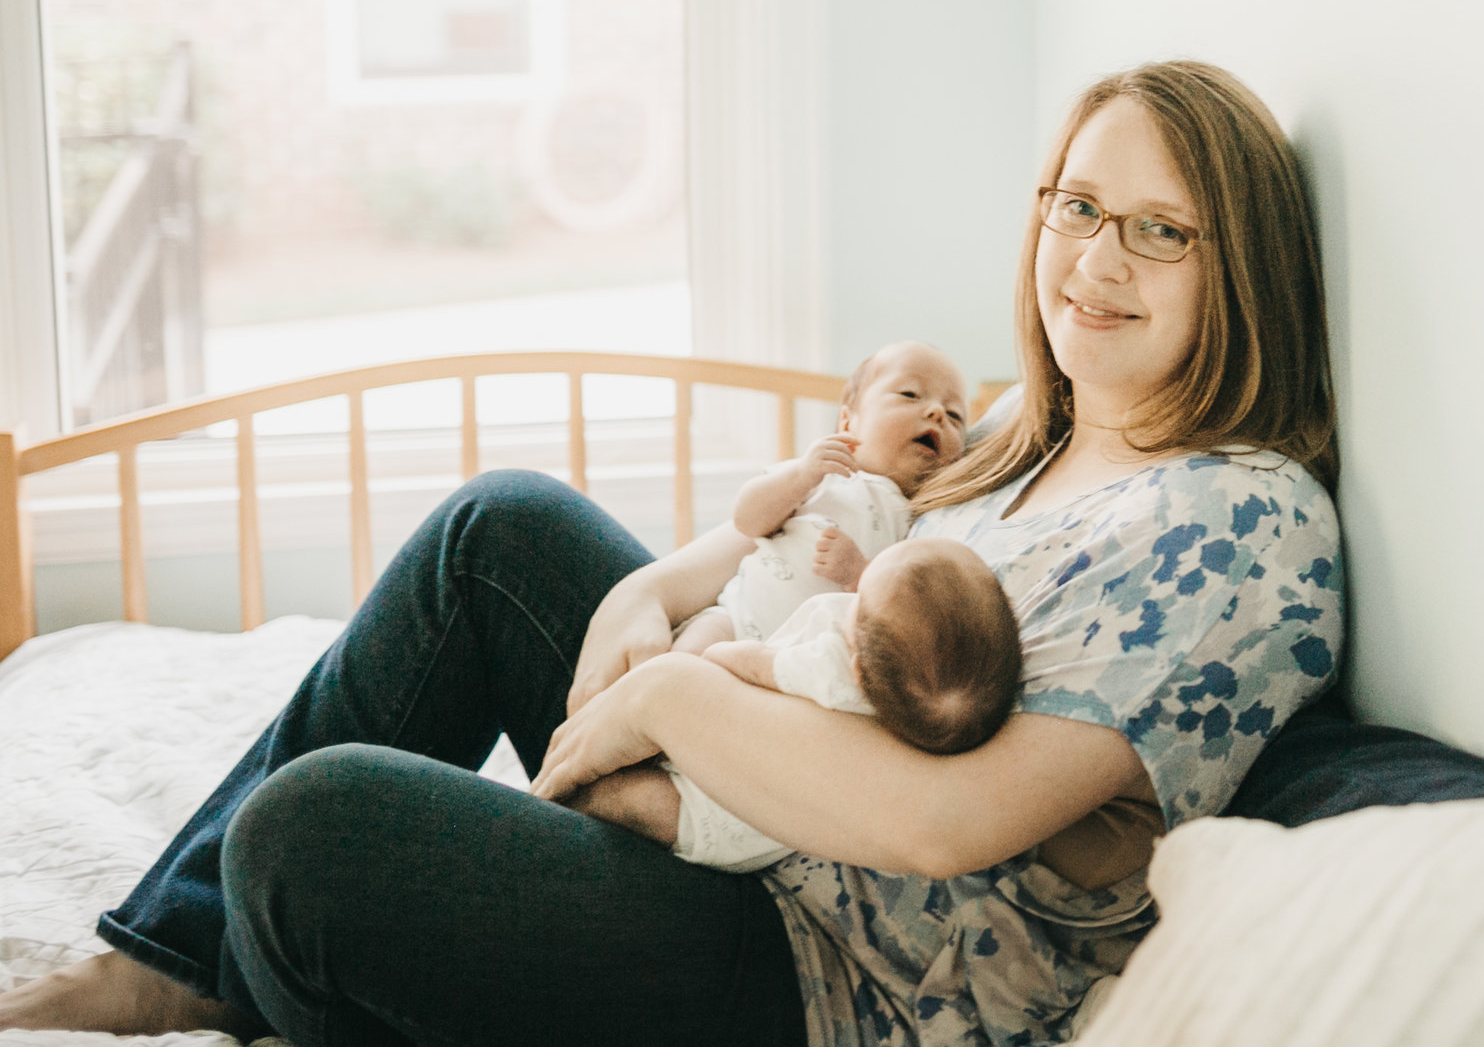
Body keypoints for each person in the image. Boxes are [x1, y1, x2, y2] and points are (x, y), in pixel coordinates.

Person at [0, 58, 1344, 1047]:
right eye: (1077, 206)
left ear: (1249, 267)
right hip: (740, 808)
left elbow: (941, 821)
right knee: (497, 530)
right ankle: (172, 960)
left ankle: (283, 961)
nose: (1097, 259)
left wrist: (663, 701)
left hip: (827, 967)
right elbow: (811, 568)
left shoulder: (1237, 517)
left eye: (1162, 227)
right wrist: (654, 596)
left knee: (308, 836)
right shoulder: (1011, 434)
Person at [580, 532, 1025, 873]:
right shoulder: (908, 697)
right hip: (764, 831)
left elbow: (748, 663)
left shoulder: (826, 669)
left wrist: (702, 660)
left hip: (720, 804)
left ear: (855, 668)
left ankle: (555, 805)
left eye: (860, 596)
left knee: (624, 801)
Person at [669, 339, 972, 662]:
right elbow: (747, 519)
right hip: (738, 618)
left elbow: (900, 608)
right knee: (684, 659)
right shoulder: (823, 473)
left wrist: (860, 573)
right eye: (909, 394)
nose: (937, 412)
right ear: (847, 422)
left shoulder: (923, 520)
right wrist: (801, 476)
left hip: (808, 657)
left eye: (955, 416)